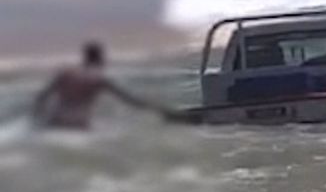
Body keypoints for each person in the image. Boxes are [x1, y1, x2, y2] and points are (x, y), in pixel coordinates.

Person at [33, 41, 201, 129]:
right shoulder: (98, 80)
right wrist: (168, 113)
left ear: (84, 57)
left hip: (53, 123)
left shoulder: (65, 73)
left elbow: (41, 97)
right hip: (78, 126)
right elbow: (132, 101)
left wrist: (37, 119)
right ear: (99, 59)